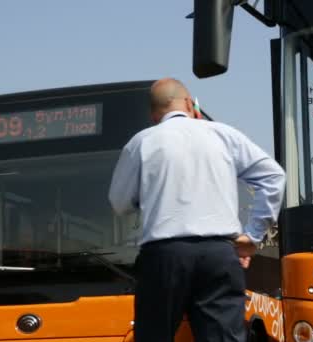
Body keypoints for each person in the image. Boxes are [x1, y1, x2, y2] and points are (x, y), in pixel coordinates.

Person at [108, 78, 286, 342]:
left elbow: (119, 203)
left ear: (153, 115)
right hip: (219, 254)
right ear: (190, 104)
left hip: (163, 258)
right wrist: (252, 235)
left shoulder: (141, 142)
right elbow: (273, 176)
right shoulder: (223, 134)